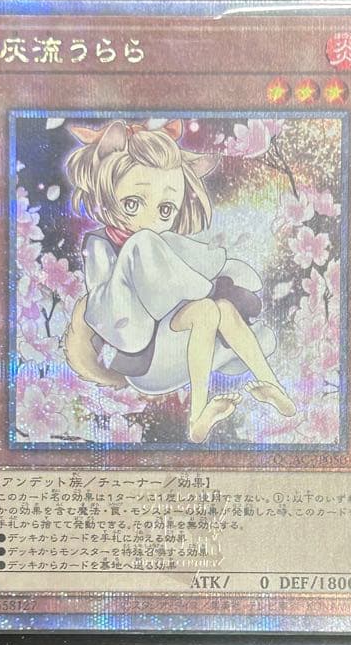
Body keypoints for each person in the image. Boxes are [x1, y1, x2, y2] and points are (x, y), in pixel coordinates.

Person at [63, 119, 295, 443]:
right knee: (144, 246)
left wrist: (226, 277)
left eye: (165, 209)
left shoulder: (167, 242)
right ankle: (206, 294)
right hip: (143, 357)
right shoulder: (101, 245)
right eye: (132, 203)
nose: (150, 218)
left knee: (218, 310)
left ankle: (236, 400)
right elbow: (107, 308)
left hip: (178, 349)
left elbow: (207, 262)